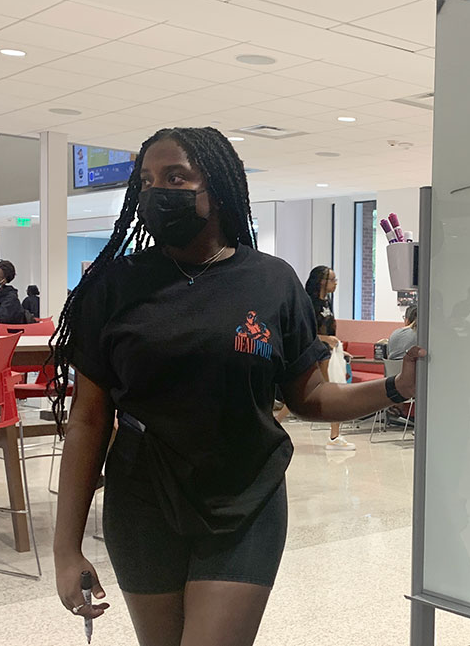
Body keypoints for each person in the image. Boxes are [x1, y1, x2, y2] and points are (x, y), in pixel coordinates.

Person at [48, 127, 423, 646]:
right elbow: (89, 421)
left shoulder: (270, 282)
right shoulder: (114, 286)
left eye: (176, 177)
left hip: (246, 498)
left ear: (217, 188)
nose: (158, 191)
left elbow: (311, 397)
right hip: (142, 502)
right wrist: (66, 548)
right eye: (148, 180)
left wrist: (396, 386)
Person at [305, 265, 354, 451]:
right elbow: (307, 332)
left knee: (331, 391)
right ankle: (334, 436)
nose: (335, 283)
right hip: (315, 352)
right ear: (322, 282)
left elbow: (329, 329)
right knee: (329, 392)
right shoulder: (309, 303)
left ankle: (335, 436)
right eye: (332, 280)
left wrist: (338, 347)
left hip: (328, 352)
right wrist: (325, 339)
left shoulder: (327, 303)